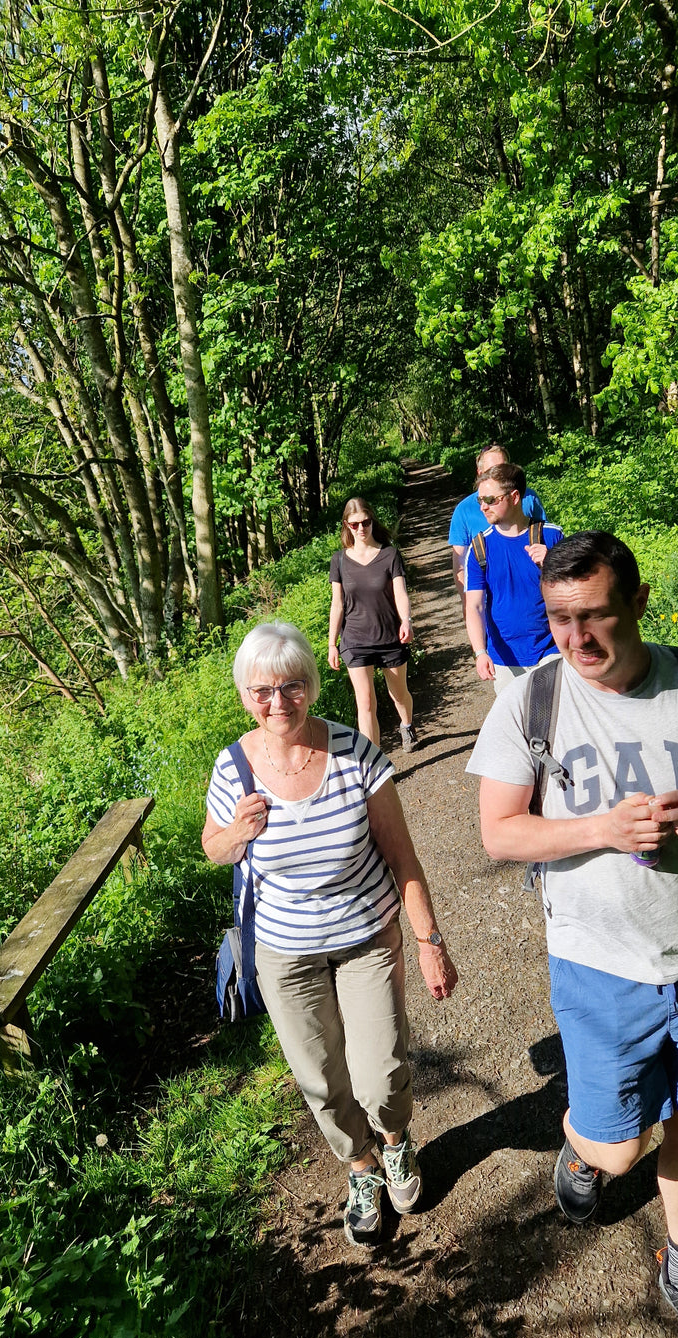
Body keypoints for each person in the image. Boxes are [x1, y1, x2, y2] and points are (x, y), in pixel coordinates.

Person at [467, 531, 678, 1338]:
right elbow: (499, 830)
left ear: (639, 602)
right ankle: (583, 1152)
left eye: (594, 616)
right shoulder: (531, 702)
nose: (575, 638)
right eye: (558, 618)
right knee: (621, 1148)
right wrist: (603, 828)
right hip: (599, 963)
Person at [203, 622, 459, 1247]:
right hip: (283, 951)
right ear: (245, 696)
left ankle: (395, 1140)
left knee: (381, 1073)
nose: (277, 702)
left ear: (311, 687)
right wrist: (236, 833)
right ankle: (362, 1167)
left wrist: (429, 942)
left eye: (290, 686)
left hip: (367, 937)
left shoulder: (356, 755)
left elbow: (402, 858)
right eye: (262, 691)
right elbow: (213, 848)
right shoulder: (233, 768)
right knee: (319, 1077)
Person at [464, 462, 564, 695]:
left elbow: (577, 591)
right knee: (517, 726)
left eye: (490, 500)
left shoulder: (551, 536)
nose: (483, 507)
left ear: (515, 496)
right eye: (480, 500)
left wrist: (553, 563)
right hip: (504, 657)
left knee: (555, 720)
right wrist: (480, 653)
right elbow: (474, 606)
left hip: (552, 649)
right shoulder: (480, 547)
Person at [328, 497, 419, 751]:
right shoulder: (339, 561)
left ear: (372, 521)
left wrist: (406, 621)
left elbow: (400, 592)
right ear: (346, 525)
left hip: (391, 636)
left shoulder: (389, 555)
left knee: (399, 694)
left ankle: (407, 725)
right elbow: (338, 604)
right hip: (355, 641)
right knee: (365, 702)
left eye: (365, 522)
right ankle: (374, 764)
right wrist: (332, 644)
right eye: (354, 524)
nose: (361, 529)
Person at [447, 443, 548, 616]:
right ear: (480, 474)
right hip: (488, 604)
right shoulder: (464, 511)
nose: (499, 475)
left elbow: (545, 539)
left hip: (533, 601)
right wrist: (470, 605)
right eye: (492, 470)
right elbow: (460, 565)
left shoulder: (529, 498)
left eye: (504, 468)